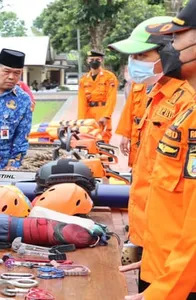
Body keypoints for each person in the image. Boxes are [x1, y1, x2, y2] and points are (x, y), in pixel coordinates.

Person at [110, 14, 196, 295]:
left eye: (142, 55)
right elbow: (152, 184)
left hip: (178, 276)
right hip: (158, 257)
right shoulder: (158, 95)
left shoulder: (187, 102)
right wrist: (141, 249)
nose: (134, 63)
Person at [108, 16, 173, 168]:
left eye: (141, 55)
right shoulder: (146, 82)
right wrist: (126, 133)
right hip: (141, 158)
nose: (134, 61)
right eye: (132, 56)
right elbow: (131, 109)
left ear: (169, 55)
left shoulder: (183, 99)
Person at [77, 50, 118, 144]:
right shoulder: (83, 80)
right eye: (91, 59)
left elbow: (111, 98)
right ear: (87, 61)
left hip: (102, 111)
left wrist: (106, 116)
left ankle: (105, 157)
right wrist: (80, 120)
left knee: (103, 138)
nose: (94, 61)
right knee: (88, 138)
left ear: (101, 60)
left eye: (97, 59)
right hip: (88, 113)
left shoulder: (109, 77)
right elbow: (81, 101)